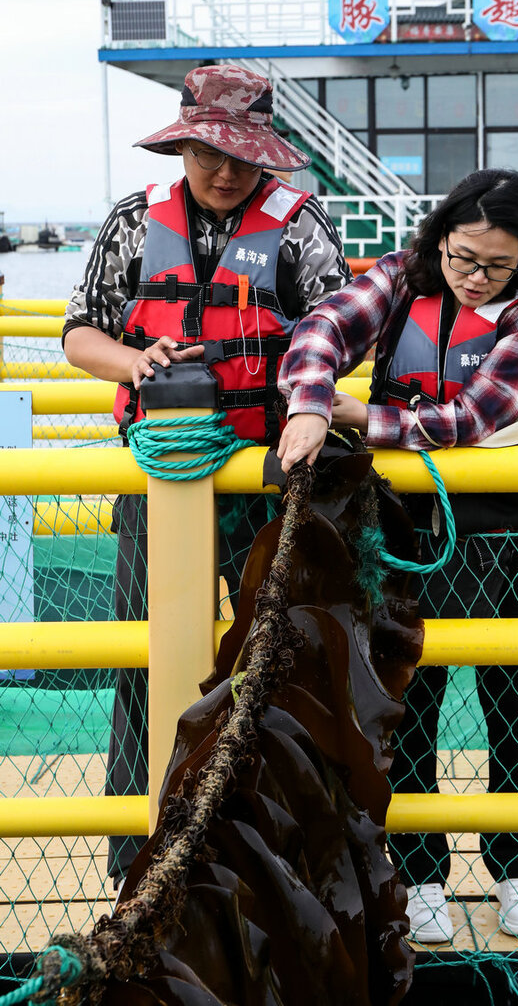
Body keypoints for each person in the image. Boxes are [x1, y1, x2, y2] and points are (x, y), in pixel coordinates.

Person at [62, 64, 351, 885]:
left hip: (269, 475)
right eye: (208, 154)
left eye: (244, 159)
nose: (225, 172)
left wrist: (308, 403)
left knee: (284, 658)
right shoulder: (131, 223)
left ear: (269, 157)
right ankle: (140, 856)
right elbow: (81, 333)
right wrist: (134, 359)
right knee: (145, 662)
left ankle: (284, 849)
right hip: (163, 476)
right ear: (182, 143)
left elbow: (337, 329)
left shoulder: (300, 224)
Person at [276, 168, 518, 942]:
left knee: (511, 693)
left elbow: (482, 414)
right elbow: (322, 329)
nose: (475, 279)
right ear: (438, 239)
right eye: (462, 258)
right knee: (409, 694)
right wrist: (311, 401)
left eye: (496, 266)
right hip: (402, 522)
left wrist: (364, 417)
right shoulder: (404, 277)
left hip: (504, 527)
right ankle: (419, 871)